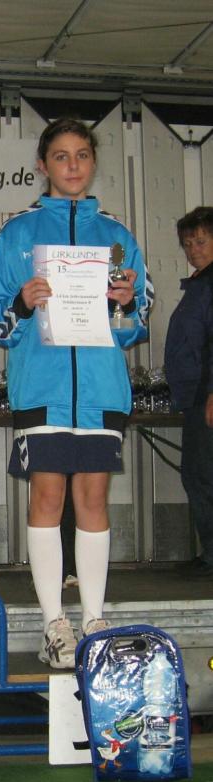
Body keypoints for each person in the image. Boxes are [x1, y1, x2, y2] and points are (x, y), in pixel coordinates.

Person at [0, 118, 153, 668]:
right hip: (42, 388)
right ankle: (54, 624)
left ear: (93, 162)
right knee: (47, 499)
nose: (73, 165)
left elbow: (137, 324)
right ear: (42, 165)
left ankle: (94, 619)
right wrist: (21, 304)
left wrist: (126, 303)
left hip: (101, 390)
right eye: (61, 156)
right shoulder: (18, 233)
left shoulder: (118, 237)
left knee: (93, 501)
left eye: (82, 155)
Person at [165, 206, 213, 580]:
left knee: (202, 475)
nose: (193, 249)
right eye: (187, 243)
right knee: (198, 475)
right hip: (194, 396)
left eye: (201, 241)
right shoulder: (198, 284)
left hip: (206, 395)